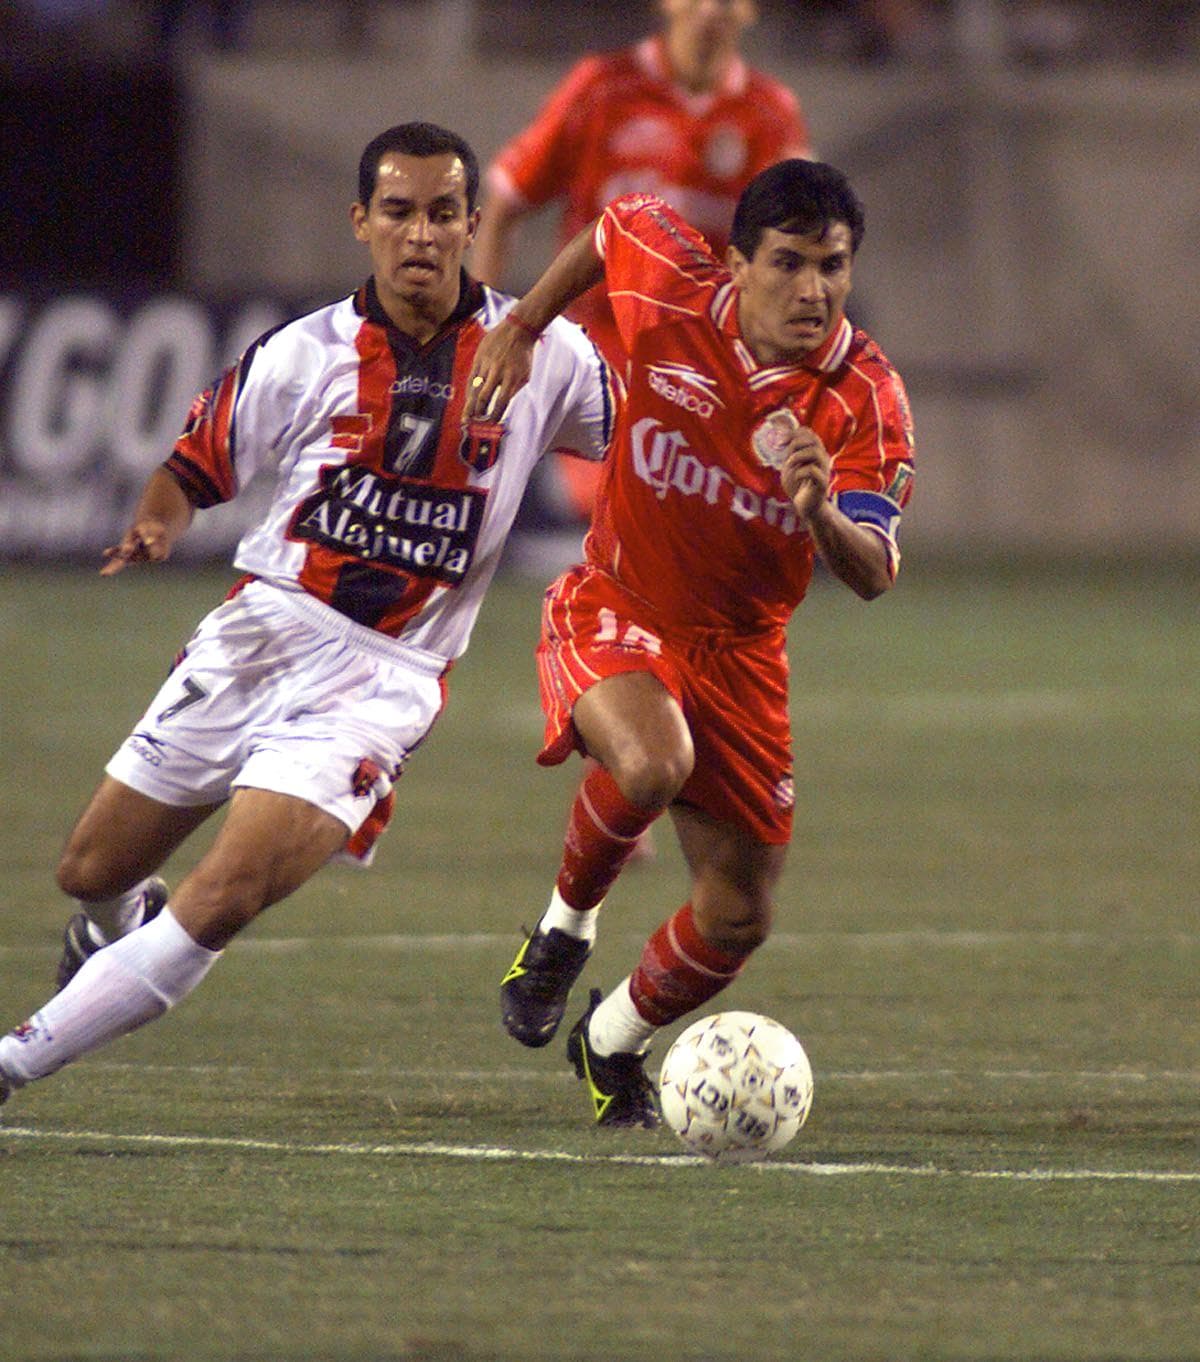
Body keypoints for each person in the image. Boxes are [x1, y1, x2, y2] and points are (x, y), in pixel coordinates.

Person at [0, 121, 615, 1111]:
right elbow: (193, 463)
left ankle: (13, 1063)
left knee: (227, 894)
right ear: (362, 221)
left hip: (382, 680)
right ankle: (116, 923)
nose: (422, 235)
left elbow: (646, 435)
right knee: (90, 867)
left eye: (444, 213)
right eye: (401, 212)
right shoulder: (302, 352)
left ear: (472, 226)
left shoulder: (548, 358)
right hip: (261, 633)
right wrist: (158, 524)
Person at [466, 158, 915, 1128]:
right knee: (654, 760)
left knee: (739, 913)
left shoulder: (863, 396)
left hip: (743, 652)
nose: (815, 289)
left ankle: (612, 1040)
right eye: (790, 263)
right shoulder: (671, 288)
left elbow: (876, 568)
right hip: (618, 597)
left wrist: (821, 512)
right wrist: (522, 320)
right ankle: (560, 933)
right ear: (738, 264)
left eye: (833, 266)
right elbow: (613, 223)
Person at [471, 0, 811, 519]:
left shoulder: (770, 111)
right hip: (601, 341)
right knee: (620, 495)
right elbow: (506, 198)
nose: (711, 9)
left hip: (709, 355)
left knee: (694, 521)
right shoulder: (603, 88)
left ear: (751, 10)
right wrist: (480, 328)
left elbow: (799, 245)